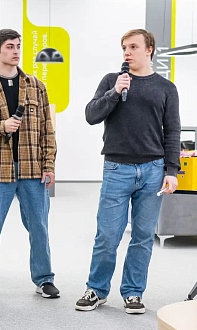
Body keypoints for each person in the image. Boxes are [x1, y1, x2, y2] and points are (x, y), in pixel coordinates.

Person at [76, 29, 181, 314]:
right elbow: (91, 115)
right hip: (117, 168)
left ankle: (133, 293)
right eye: (124, 47)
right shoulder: (112, 80)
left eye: (133, 46)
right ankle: (96, 289)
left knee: (143, 236)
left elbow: (173, 131)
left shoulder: (166, 88)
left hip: (153, 170)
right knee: (108, 235)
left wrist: (172, 170)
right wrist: (114, 93)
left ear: (149, 50)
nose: (127, 52)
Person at [0, 28, 58, 301]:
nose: (16, 51)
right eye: (9, 47)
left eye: (18, 46)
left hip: (32, 170)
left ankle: (44, 279)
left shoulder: (37, 86)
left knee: (39, 227)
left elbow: (47, 130)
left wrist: (49, 164)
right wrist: (0, 126)